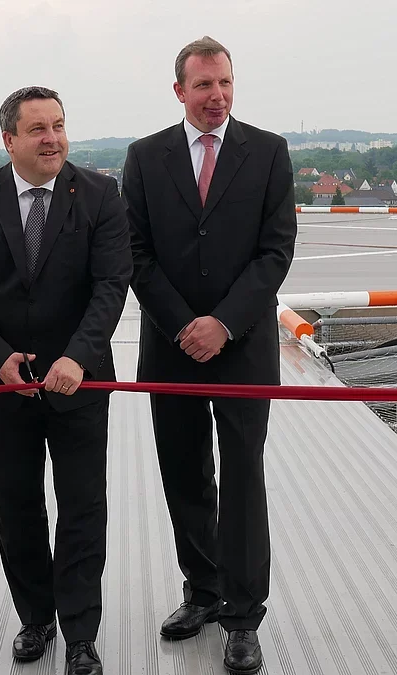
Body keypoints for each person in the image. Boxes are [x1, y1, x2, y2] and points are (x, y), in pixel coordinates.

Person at [121, 37, 297, 675]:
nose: (217, 96)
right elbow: (135, 252)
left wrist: (222, 322)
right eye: (204, 85)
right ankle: (203, 590)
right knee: (184, 473)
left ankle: (244, 618)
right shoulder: (144, 158)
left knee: (243, 478)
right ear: (179, 91)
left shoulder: (270, 152)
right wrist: (183, 325)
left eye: (225, 83)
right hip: (170, 348)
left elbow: (275, 253)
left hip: (243, 347)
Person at [0, 86, 131, 675]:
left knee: (82, 505)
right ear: (9, 140)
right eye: (37, 130)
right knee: (17, 503)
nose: (52, 139)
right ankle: (36, 616)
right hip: (6, 384)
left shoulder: (100, 193)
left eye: (58, 126)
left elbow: (111, 284)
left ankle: (80, 632)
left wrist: (79, 355)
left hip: (80, 381)